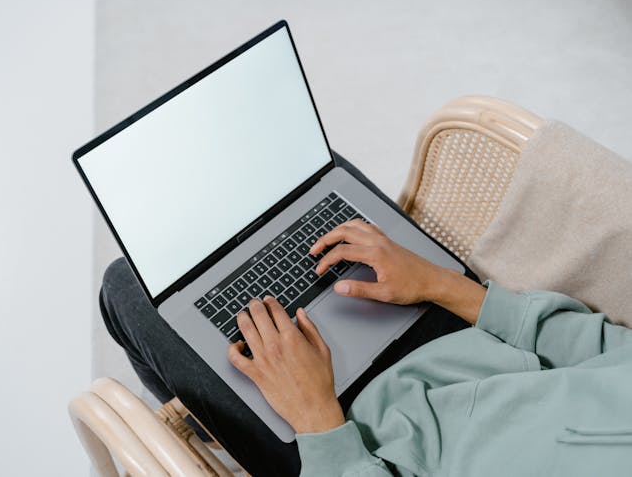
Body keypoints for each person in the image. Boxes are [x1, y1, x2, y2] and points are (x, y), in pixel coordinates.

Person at [100, 155, 632, 476]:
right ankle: (212, 413)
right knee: (309, 179)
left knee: (125, 285)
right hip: (470, 343)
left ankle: (210, 427)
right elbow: (599, 350)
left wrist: (314, 416)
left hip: (347, 446)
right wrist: (440, 284)